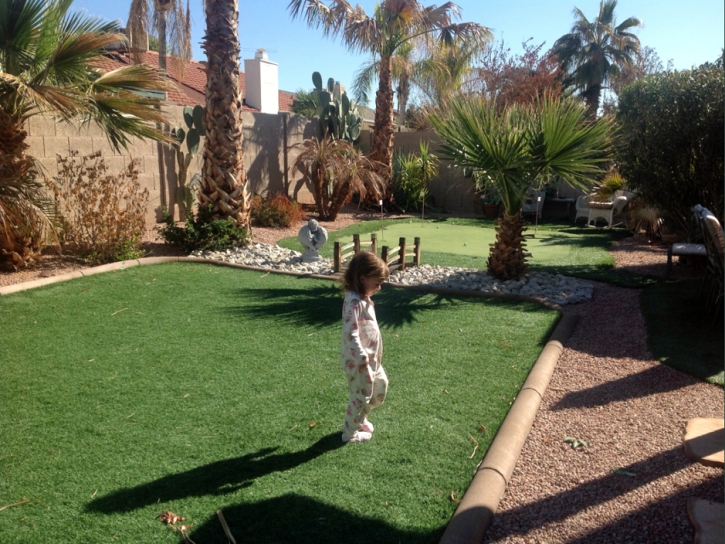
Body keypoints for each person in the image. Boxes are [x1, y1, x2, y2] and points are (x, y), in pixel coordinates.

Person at [340, 251, 390, 443]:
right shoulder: (353, 301)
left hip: (372, 360)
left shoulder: (364, 299)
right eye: (376, 283)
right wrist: (361, 357)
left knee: (380, 387)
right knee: (360, 395)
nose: (379, 287)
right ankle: (349, 433)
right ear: (362, 279)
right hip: (358, 361)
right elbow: (350, 332)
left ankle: (361, 417)